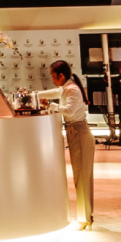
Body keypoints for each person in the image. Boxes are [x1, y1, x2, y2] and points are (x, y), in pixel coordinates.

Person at [44, 60, 97, 224]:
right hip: (77, 132)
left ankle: (84, 218)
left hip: (79, 133)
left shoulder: (71, 89)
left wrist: (51, 105)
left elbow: (69, 111)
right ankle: (86, 216)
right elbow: (54, 92)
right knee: (83, 177)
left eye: (53, 75)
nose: (52, 79)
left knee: (81, 177)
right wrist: (35, 95)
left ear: (61, 75)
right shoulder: (67, 88)